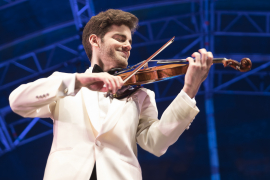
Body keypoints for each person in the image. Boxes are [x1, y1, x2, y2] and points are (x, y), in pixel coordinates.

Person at [9, 9, 213, 180]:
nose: (128, 46)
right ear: (95, 41)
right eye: (120, 38)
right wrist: (80, 81)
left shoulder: (141, 94)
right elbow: (17, 102)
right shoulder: (66, 83)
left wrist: (189, 90)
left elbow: (156, 143)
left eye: (130, 41)